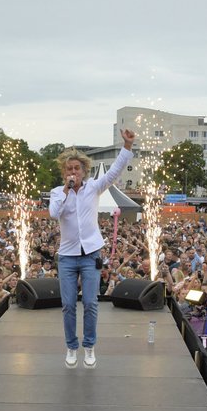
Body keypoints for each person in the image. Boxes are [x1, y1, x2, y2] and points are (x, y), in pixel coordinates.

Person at [48, 128, 135, 369]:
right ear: (64, 173)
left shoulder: (94, 188)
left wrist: (126, 147)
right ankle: (71, 347)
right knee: (67, 304)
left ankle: (89, 346)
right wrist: (66, 191)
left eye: (76, 168)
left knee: (90, 302)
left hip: (90, 255)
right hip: (66, 256)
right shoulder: (57, 193)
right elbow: (55, 214)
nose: (73, 172)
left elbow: (115, 172)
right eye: (69, 169)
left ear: (84, 170)